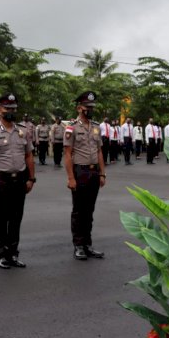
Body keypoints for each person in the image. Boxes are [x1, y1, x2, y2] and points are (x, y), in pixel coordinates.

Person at [0, 93, 35, 269]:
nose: (11, 112)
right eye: (7, 109)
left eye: (13, 109)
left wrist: (31, 178)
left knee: (16, 219)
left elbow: (29, 156)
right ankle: (2, 254)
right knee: (0, 219)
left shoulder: (23, 131)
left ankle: (13, 253)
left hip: (19, 180)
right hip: (0, 181)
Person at [64, 91, 106, 260]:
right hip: (79, 172)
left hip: (94, 172)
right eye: (87, 107)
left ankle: (88, 244)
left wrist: (102, 173)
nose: (90, 109)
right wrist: (71, 178)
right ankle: (78, 245)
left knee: (89, 210)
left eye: (92, 107)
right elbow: (67, 154)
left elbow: (99, 151)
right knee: (79, 211)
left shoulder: (96, 127)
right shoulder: (72, 127)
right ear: (79, 108)